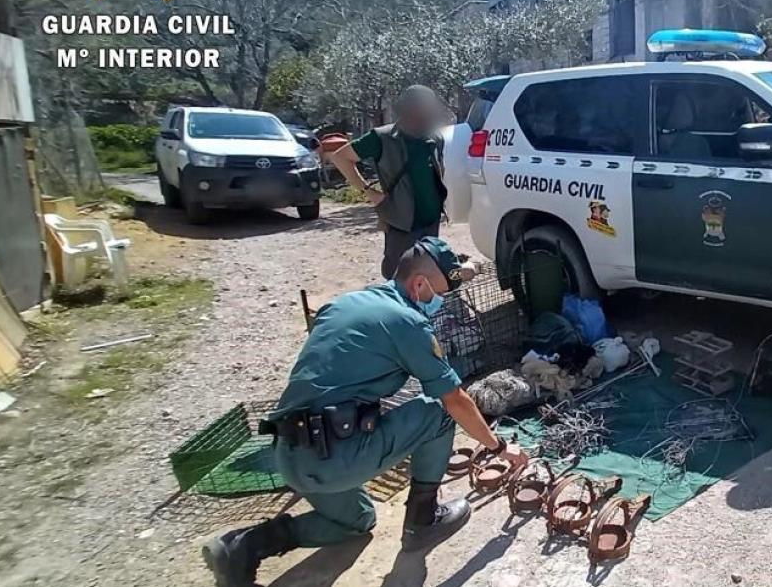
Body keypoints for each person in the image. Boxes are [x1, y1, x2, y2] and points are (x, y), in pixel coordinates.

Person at [201, 237, 527, 587]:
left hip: (289, 455)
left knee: (358, 520)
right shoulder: (406, 321)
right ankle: (423, 521)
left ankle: (243, 546)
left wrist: (463, 271)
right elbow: (455, 399)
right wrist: (498, 447)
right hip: (333, 457)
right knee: (440, 411)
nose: (439, 303)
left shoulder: (345, 304)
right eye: (439, 294)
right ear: (419, 285)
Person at [330, 85, 449, 280]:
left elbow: (438, 168)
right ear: (410, 109)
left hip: (431, 219)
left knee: (426, 268)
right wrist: (369, 191)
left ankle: (423, 307)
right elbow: (341, 158)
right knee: (398, 273)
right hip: (400, 221)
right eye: (426, 108)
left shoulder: (434, 137)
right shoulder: (381, 138)